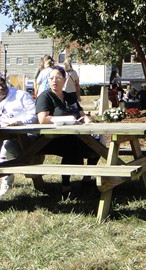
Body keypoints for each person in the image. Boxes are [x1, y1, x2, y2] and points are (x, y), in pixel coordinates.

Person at [35, 66, 100, 195]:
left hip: (73, 134)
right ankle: (65, 184)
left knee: (97, 144)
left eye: (58, 77)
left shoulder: (70, 96)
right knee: (72, 145)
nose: (54, 80)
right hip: (50, 138)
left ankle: (87, 177)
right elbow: (42, 119)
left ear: (64, 80)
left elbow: (82, 115)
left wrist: (90, 123)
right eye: (51, 78)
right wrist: (66, 118)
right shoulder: (45, 96)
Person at [0, 76, 38, 197]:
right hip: (4, 135)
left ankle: (6, 182)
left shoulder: (21, 95)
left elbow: (34, 116)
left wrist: (18, 122)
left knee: (4, 148)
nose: (1, 88)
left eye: (3, 84)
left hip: (26, 136)